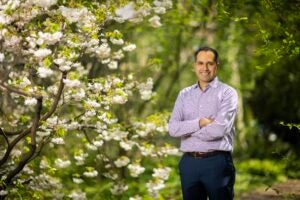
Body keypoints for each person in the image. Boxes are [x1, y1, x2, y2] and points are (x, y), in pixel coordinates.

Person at [168, 46, 238, 200]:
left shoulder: (228, 93)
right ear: (194, 66)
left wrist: (186, 130)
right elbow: (173, 129)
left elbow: (218, 130)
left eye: (210, 63)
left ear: (216, 65)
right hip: (189, 164)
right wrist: (200, 122)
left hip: (217, 163)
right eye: (200, 63)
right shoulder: (184, 94)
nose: (204, 68)